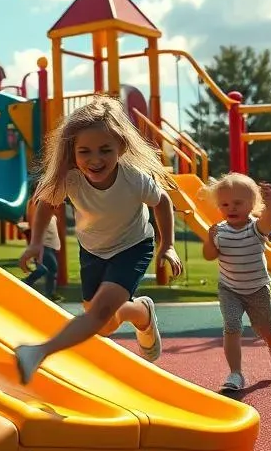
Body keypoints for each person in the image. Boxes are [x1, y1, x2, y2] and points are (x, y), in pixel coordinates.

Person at [13, 94, 183, 384]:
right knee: (103, 324)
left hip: (133, 246)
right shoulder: (71, 179)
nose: (95, 159)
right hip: (92, 249)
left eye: (105, 150)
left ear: (121, 146)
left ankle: (38, 352)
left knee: (100, 313)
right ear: (73, 151)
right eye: (85, 151)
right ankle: (141, 312)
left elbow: (162, 201)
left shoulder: (133, 178)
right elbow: (45, 205)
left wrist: (167, 246)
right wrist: (36, 242)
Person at [200, 172, 271, 392]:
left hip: (257, 289)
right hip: (229, 289)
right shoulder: (219, 230)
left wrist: (269, 203)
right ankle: (235, 373)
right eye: (225, 204)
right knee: (232, 327)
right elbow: (210, 255)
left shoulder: (255, 229)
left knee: (265, 330)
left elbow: (268, 223)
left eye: (238, 203)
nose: (231, 208)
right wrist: (210, 240)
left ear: (252, 205)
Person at [22, 187, 62, 300]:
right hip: (44, 244)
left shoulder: (49, 209)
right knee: (49, 268)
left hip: (51, 244)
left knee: (47, 269)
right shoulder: (35, 206)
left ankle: (29, 284)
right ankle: (27, 283)